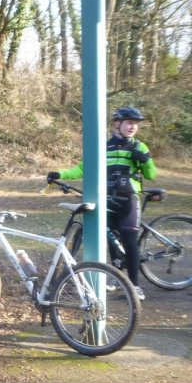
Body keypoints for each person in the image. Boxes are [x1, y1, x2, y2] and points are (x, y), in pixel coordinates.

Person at [47, 106, 157, 301]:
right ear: (117, 124)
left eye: (135, 124)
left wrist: (145, 161)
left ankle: (135, 286)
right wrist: (60, 174)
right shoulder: (103, 147)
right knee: (110, 240)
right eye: (129, 122)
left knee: (129, 241)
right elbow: (82, 169)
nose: (132, 127)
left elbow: (151, 175)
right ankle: (118, 278)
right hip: (107, 200)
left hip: (128, 199)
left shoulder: (139, 147)